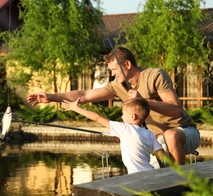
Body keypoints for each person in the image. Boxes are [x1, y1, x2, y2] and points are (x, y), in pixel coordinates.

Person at [27, 47, 200, 165]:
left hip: (184, 132)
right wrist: (51, 97)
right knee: (148, 174)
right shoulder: (117, 85)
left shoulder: (156, 75)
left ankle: (180, 184)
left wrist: (144, 101)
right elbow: (85, 95)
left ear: (127, 65)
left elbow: (175, 108)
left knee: (170, 135)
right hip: (155, 141)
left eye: (114, 70)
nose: (112, 74)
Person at [62, 97, 165, 174]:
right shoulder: (149, 133)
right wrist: (162, 171)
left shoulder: (124, 129)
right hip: (150, 173)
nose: (122, 116)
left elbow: (97, 118)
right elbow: (161, 155)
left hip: (136, 176)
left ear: (133, 116)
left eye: (123, 114)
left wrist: (75, 108)